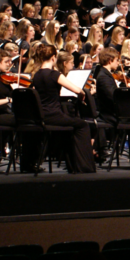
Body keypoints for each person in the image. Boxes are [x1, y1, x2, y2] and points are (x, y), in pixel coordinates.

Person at [32, 44, 96, 173]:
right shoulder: (54, 74)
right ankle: (84, 166)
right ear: (53, 58)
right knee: (82, 125)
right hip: (54, 115)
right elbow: (77, 90)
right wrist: (82, 95)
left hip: (41, 115)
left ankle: (73, 166)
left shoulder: (36, 75)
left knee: (71, 128)